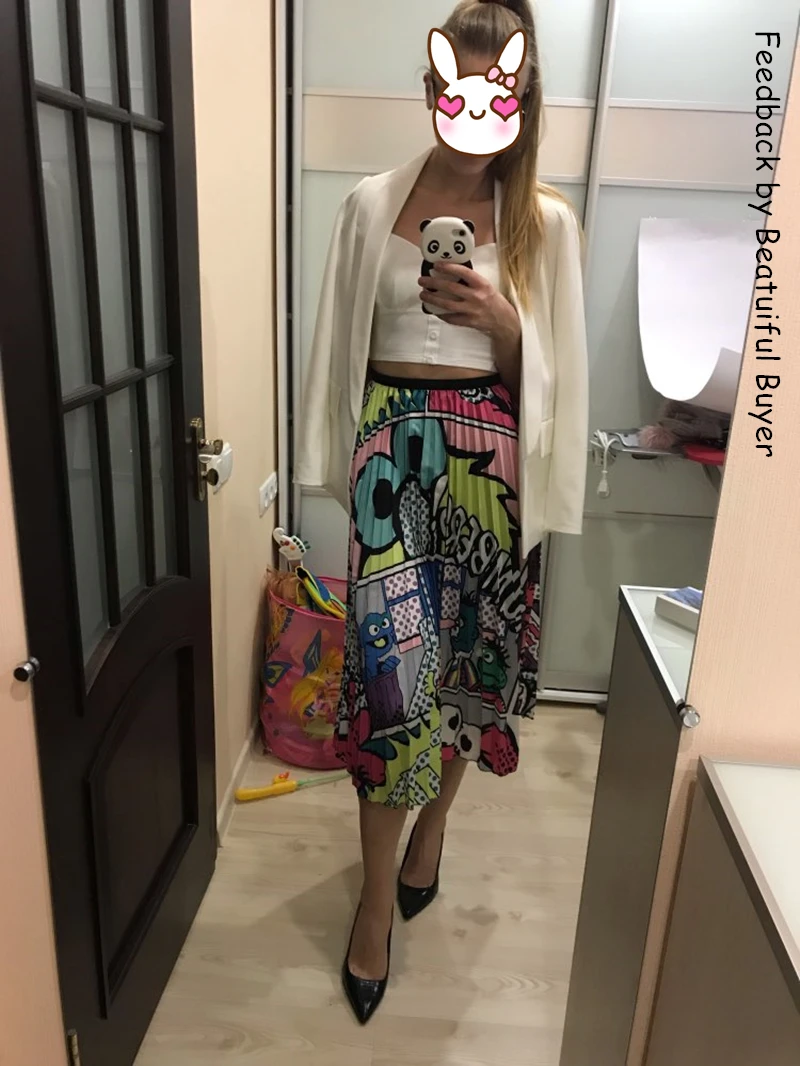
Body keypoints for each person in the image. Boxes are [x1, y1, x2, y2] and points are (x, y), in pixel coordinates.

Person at [295, 0, 588, 1024]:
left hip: (490, 468)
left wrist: (505, 323)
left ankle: (433, 835)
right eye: (454, 88)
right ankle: (375, 905)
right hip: (392, 462)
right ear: (431, 88)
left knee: (466, 671)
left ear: (521, 99)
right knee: (389, 691)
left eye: (496, 91)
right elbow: (335, 341)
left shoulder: (545, 224)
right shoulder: (369, 203)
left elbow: (561, 378)